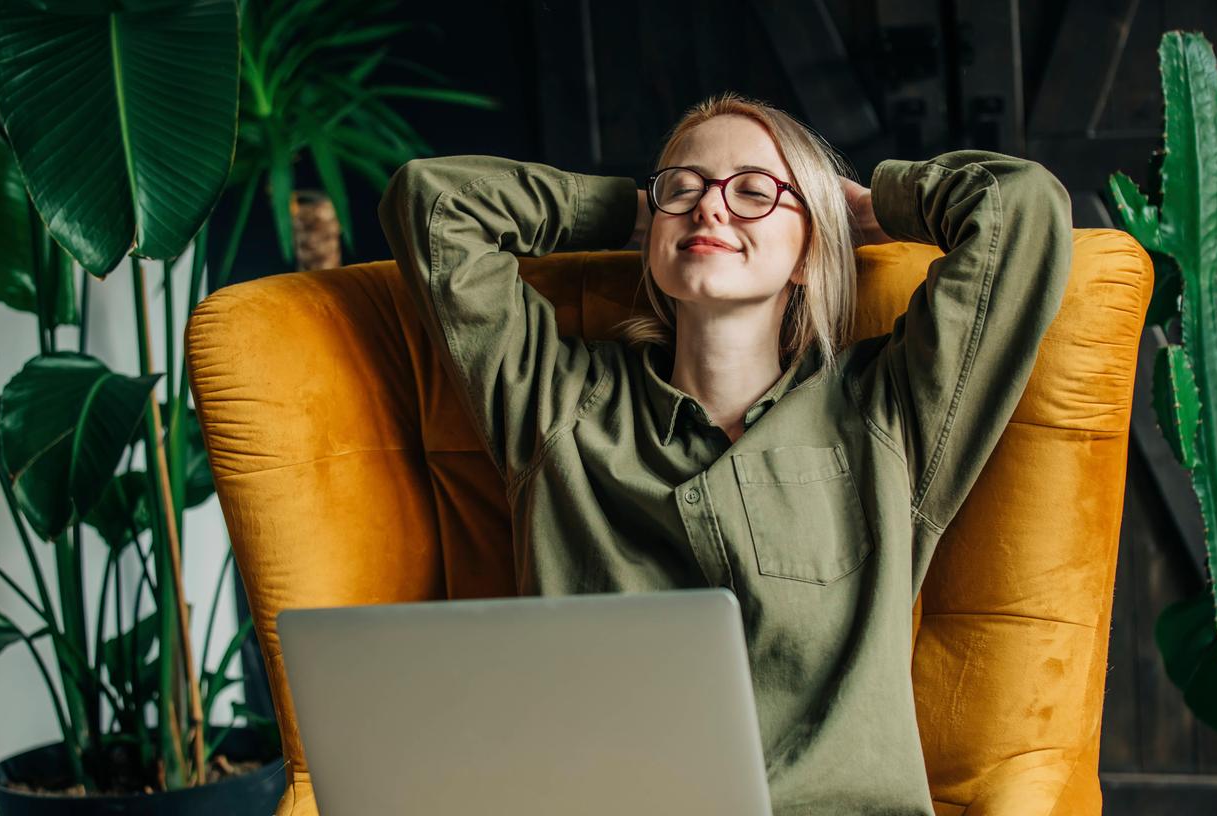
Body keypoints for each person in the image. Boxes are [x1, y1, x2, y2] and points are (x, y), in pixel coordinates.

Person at [377, 90, 1072, 816]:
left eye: (754, 191)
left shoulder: (886, 414)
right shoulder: (552, 402)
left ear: (811, 250)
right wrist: (631, 211)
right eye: (684, 187)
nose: (711, 208)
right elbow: (433, 204)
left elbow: (1019, 209)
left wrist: (865, 208)